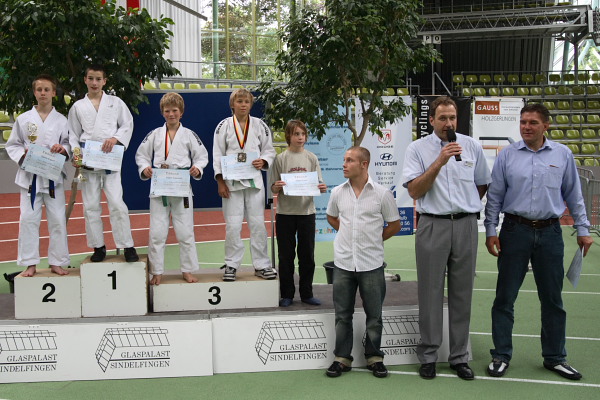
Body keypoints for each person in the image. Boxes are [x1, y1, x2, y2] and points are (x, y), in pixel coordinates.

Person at [484, 103, 594, 381]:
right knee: (505, 298)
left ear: (546, 125)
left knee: (553, 299)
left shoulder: (562, 154)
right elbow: (495, 196)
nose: (526, 127)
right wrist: (490, 230)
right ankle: (501, 355)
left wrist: (583, 229)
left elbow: (574, 195)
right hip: (514, 231)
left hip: (550, 233)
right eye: (523, 122)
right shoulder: (507, 155)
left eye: (533, 122)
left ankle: (555, 357)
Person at [402, 96, 491, 380]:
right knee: (430, 292)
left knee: (462, 293)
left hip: (466, 225)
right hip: (433, 224)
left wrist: (464, 207)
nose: (448, 123)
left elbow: (482, 184)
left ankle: (459, 356)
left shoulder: (472, 146)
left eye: (452, 118)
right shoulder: (417, 149)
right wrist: (439, 161)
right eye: (442, 118)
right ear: (431, 120)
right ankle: (429, 355)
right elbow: (414, 190)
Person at [325, 146, 400, 379]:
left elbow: (394, 224)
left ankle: (375, 358)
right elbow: (331, 216)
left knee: (374, 316)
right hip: (343, 263)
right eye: (344, 160)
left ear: (364, 164)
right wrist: (347, 234)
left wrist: (374, 240)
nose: (344, 164)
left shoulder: (382, 194)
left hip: (372, 264)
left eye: (350, 160)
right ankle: (342, 358)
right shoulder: (337, 192)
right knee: (342, 315)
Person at [135, 93, 209, 285]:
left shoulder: (189, 134)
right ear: (162, 112)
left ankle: (187, 269)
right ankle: (156, 271)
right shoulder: (154, 134)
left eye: (174, 110)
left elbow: (202, 156)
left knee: (185, 232)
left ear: (181, 112)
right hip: (160, 187)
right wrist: (145, 168)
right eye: (167, 111)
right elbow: (141, 155)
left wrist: (197, 168)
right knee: (157, 233)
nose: (171, 114)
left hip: (181, 186)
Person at [68, 64, 139, 263]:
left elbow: (127, 124)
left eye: (98, 79)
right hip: (88, 160)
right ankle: (98, 246)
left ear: (104, 81)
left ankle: (127, 245)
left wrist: (115, 138)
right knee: (90, 206)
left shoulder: (115, 102)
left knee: (117, 203)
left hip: (109, 160)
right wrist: (76, 154)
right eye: (91, 78)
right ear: (85, 80)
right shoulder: (78, 107)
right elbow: (73, 134)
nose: (94, 82)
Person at [6, 74, 71, 277]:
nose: (43, 93)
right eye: (39, 89)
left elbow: (69, 143)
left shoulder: (62, 120)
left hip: (53, 178)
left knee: (58, 220)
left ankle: (57, 262)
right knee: (28, 220)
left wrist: (63, 149)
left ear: (54, 93)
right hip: (30, 179)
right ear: (34, 92)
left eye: (47, 90)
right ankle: (30, 263)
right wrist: (23, 155)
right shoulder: (23, 119)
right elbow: (13, 144)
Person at [212, 88, 277, 282]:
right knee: (233, 226)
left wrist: (263, 161)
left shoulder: (260, 125)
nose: (243, 105)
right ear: (232, 104)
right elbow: (217, 154)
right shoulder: (223, 126)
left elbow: (269, 150)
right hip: (231, 184)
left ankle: (262, 265)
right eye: (239, 101)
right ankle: (231, 265)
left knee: (258, 224)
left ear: (251, 104)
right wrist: (220, 181)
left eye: (246, 102)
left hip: (254, 183)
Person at [270, 120, 327, 307]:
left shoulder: (312, 158)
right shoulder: (281, 159)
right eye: (296, 134)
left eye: (303, 134)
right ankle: (287, 294)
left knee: (307, 256)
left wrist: (322, 187)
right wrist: (277, 186)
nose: (300, 137)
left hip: (307, 213)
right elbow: (273, 187)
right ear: (288, 136)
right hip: (285, 214)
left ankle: (307, 293)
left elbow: (319, 184)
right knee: (286, 257)